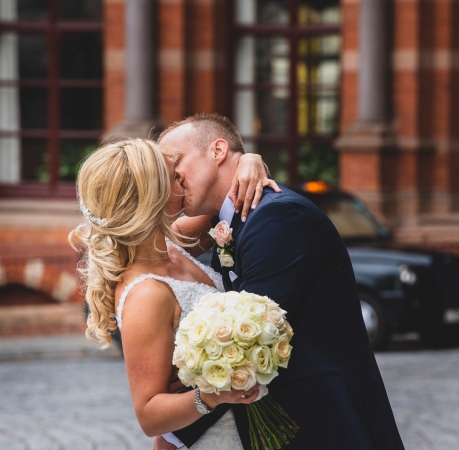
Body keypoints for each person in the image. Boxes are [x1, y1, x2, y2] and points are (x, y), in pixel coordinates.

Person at [157, 113, 405, 449]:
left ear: (218, 150)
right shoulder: (226, 220)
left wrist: (172, 431)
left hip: (323, 419)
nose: (172, 176)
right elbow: (155, 242)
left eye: (177, 162)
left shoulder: (277, 216)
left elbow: (246, 340)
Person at [70, 138, 279, 449]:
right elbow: (149, 415)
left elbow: (230, 197)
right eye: (176, 175)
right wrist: (213, 394)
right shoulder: (146, 295)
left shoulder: (172, 243)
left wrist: (249, 160)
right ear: (152, 196)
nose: (185, 177)